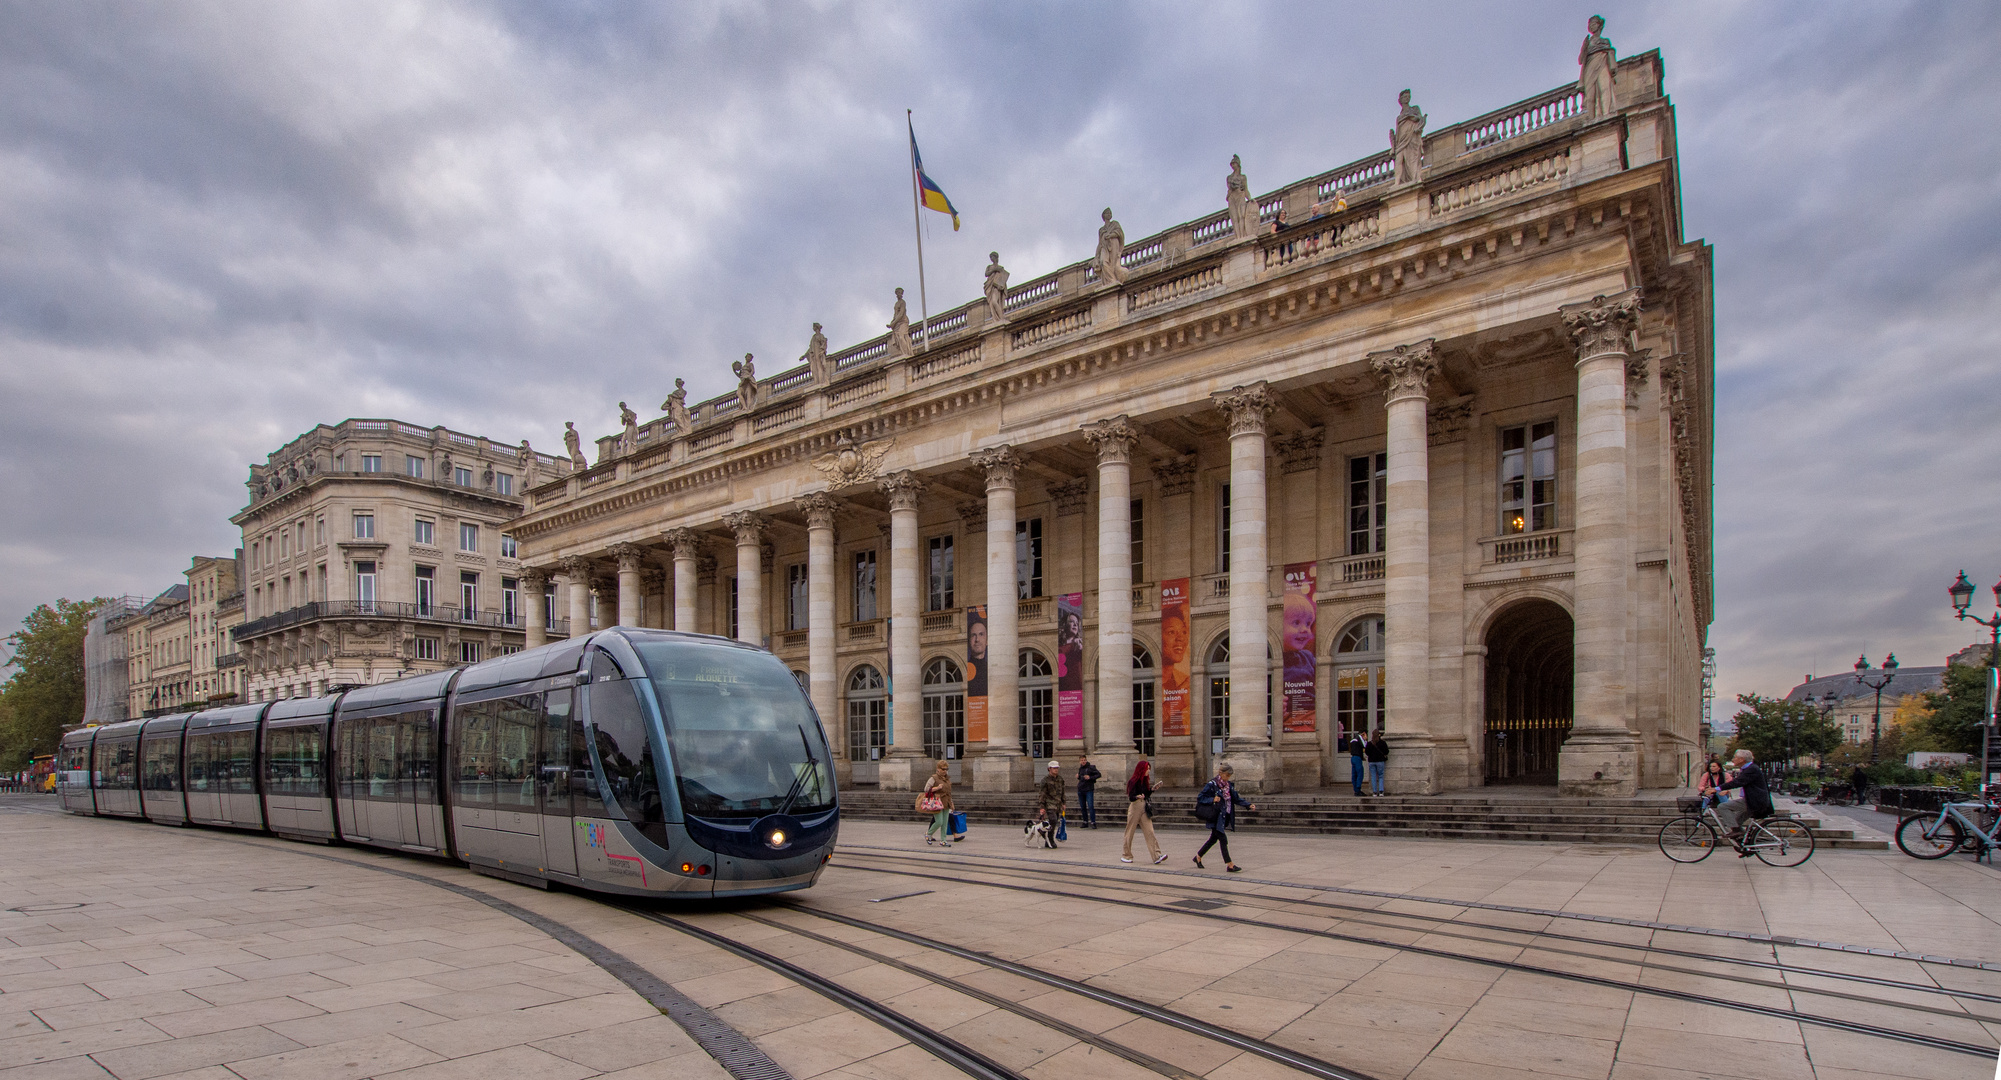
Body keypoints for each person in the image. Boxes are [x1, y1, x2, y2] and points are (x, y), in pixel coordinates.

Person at [1193, 763, 1255, 872]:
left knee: (1213, 839)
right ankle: (1230, 864)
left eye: (1229, 776)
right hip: (1215, 816)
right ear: (1221, 773)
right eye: (1227, 775)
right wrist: (1212, 799)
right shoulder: (1212, 784)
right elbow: (1201, 797)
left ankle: (1198, 857)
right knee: (1223, 839)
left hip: (1224, 816)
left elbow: (1236, 798)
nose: (1228, 778)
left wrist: (1248, 805)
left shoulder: (1228, 785)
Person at [1714, 749, 1773, 846]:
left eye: (1735, 757)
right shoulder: (1749, 768)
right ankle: (1746, 845)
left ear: (1742, 759)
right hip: (1752, 800)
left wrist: (1717, 788)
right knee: (1735, 822)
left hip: (1754, 802)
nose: (1733, 760)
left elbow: (1738, 782)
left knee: (1723, 807)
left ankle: (1738, 833)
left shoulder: (1751, 769)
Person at [1122, 759, 1167, 864]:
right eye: (1147, 769)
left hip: (1143, 807)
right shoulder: (1133, 781)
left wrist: (1152, 789)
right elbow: (1131, 797)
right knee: (1130, 832)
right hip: (1135, 807)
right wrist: (1137, 796)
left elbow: (1146, 794)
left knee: (1150, 831)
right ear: (1141, 769)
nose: (1148, 771)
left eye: (1149, 769)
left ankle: (1156, 855)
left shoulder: (1144, 780)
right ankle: (1126, 855)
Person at [920, 760, 954, 846]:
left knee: (945, 823)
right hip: (936, 803)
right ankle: (928, 834)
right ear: (938, 769)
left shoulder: (947, 779)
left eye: (946, 769)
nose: (945, 771)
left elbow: (949, 793)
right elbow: (926, 789)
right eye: (943, 769)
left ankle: (943, 840)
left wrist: (952, 803)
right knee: (939, 821)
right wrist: (937, 788)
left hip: (946, 802)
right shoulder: (933, 778)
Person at [1036, 760, 1067, 846]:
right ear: (1049, 769)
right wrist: (1042, 806)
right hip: (1049, 803)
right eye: (1054, 768)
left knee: (1054, 821)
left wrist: (1064, 803)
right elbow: (1042, 794)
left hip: (1058, 804)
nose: (1056, 770)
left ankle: (1046, 838)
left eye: (1057, 768)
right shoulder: (1045, 780)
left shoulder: (1060, 779)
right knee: (1052, 820)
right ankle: (1050, 839)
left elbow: (1063, 792)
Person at [1075, 754, 1103, 828]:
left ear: (1086, 760)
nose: (1083, 761)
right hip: (1081, 789)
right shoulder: (1080, 769)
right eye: (1082, 760)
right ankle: (1085, 821)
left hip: (1089, 789)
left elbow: (1099, 774)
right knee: (1083, 806)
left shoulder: (1091, 767)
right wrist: (1078, 777)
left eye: (1084, 760)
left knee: (1090, 806)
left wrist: (1090, 777)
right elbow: (1082, 778)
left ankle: (1093, 822)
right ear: (1079, 761)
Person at [1342, 728, 1367, 796]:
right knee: (1360, 773)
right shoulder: (1359, 738)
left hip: (1353, 757)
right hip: (1357, 758)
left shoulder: (1353, 739)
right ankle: (1358, 789)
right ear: (1363, 733)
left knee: (1354, 774)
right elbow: (1364, 746)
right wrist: (1365, 739)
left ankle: (1356, 790)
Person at [1365, 730, 1389, 796]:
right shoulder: (1382, 743)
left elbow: (1367, 752)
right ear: (1379, 735)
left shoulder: (1369, 743)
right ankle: (1381, 791)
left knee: (1373, 776)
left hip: (1372, 761)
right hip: (1380, 761)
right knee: (1381, 776)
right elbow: (1386, 751)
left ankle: (1374, 792)